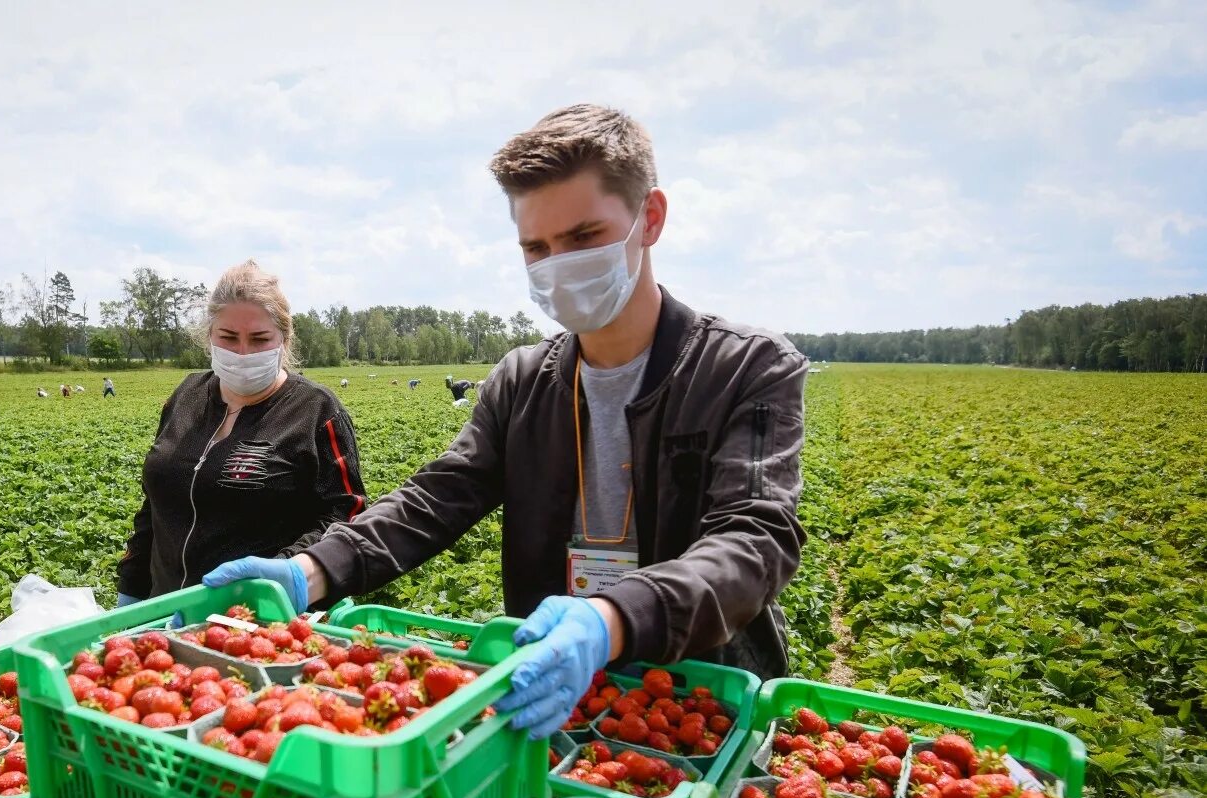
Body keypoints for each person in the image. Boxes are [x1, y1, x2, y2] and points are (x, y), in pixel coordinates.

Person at [206, 105, 806, 738]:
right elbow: (434, 500)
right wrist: (311, 571)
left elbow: (753, 539)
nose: (557, 264)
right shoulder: (524, 382)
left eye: (583, 237)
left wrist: (609, 618)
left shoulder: (743, 369)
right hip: (551, 691)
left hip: (701, 697)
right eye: (537, 248)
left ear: (649, 219)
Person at [115, 261, 368, 605]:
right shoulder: (186, 396)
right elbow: (155, 507)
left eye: (260, 339)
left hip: (262, 618)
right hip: (164, 613)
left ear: (284, 339)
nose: (243, 352)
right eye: (229, 337)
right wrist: (131, 589)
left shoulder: (315, 411)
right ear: (210, 336)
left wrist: (284, 571)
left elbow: (346, 514)